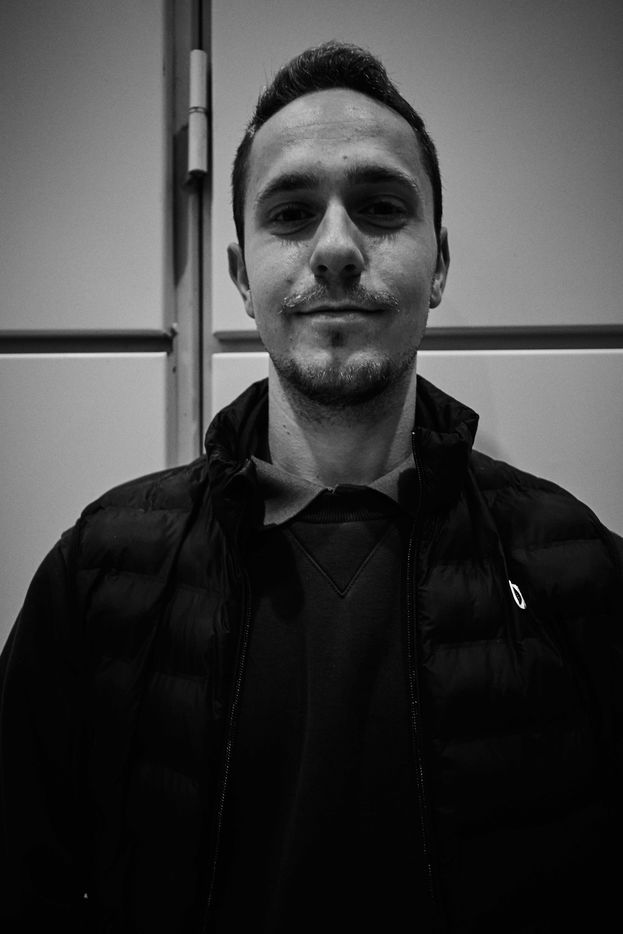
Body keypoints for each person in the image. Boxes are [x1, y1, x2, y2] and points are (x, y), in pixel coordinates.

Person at [1, 40, 621, 934]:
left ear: (438, 265)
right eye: (291, 214)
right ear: (240, 277)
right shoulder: (97, 574)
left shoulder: (580, 573)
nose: (335, 249)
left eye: (379, 208)